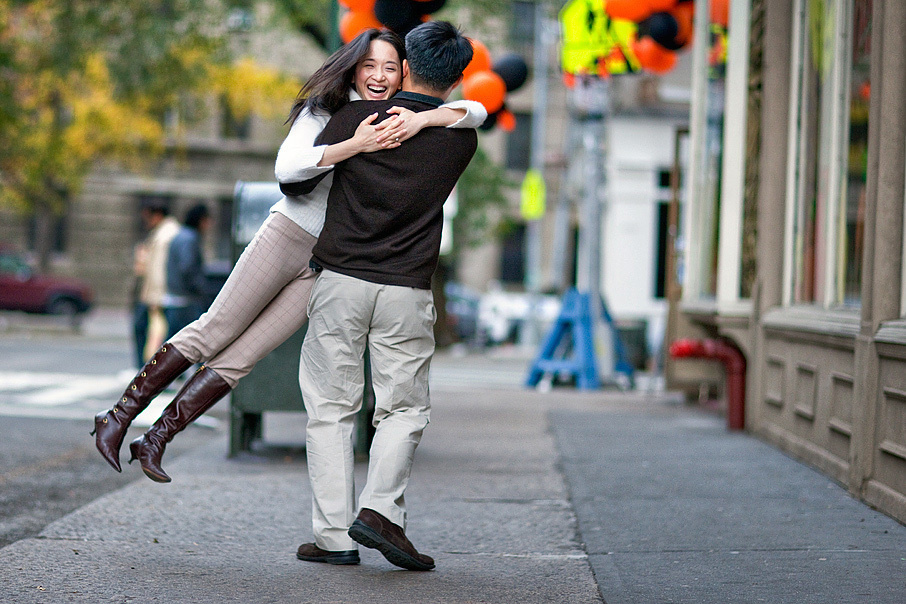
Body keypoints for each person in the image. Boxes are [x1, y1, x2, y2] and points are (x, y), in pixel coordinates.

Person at [91, 28, 486, 484]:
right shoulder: (326, 109)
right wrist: (356, 145)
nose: (379, 76)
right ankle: (117, 416)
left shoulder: (396, 115)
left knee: (243, 358)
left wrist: (424, 120)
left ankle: (157, 438)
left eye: (390, 67)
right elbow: (288, 168)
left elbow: (474, 111)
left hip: (330, 262)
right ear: (354, 65)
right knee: (214, 330)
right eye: (369, 65)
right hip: (290, 232)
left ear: (405, 72)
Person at [288, 21, 478, 572]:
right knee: (403, 409)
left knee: (330, 410)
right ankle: (378, 511)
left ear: (407, 68)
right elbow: (469, 113)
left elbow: (296, 177)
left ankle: (332, 538)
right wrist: (443, 111)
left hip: (341, 281)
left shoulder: (354, 120)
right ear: (458, 77)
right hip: (406, 289)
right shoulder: (458, 139)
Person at [137, 200, 180, 362]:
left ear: (157, 215)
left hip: (159, 295)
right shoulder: (166, 232)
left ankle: (150, 369)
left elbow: (158, 270)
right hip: (161, 294)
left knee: (156, 334)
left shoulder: (164, 236)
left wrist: (155, 296)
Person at [162, 203, 212, 339]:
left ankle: (159, 361)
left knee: (172, 345)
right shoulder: (190, 239)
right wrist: (201, 289)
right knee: (193, 341)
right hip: (186, 300)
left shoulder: (179, 236)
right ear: (201, 220)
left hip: (174, 298)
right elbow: (187, 268)